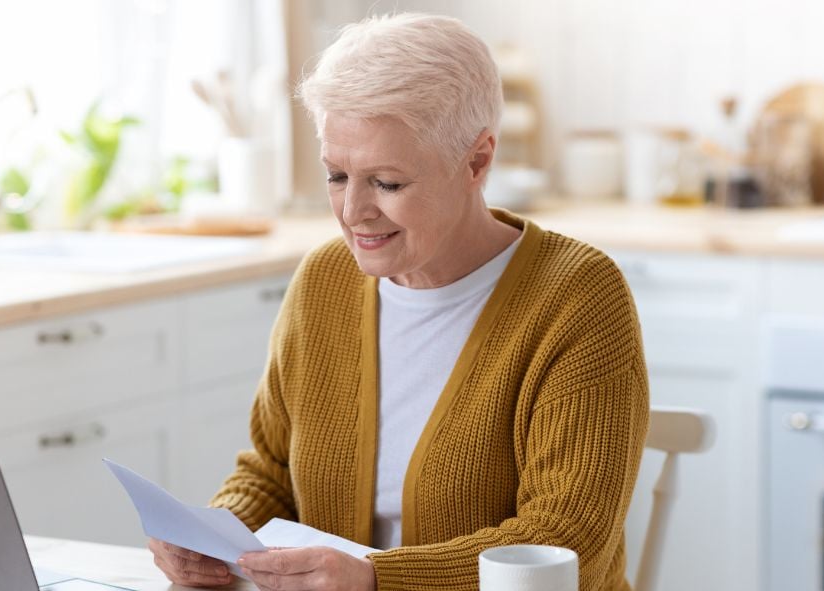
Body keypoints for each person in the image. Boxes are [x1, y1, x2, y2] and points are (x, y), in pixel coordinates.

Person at [149, 12, 648, 591]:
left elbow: (562, 543)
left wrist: (375, 579)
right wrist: (213, 534)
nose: (353, 211)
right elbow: (272, 471)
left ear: (477, 161)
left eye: (387, 183)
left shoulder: (577, 297)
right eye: (336, 175)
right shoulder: (323, 281)